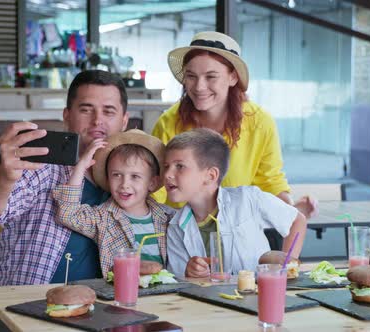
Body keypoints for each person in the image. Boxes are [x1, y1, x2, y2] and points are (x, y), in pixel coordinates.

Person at [151, 31, 316, 250]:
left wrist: (290, 210)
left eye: (211, 76)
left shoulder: (260, 122)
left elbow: (270, 181)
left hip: (238, 238)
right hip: (180, 236)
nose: (199, 87)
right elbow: (158, 183)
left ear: (232, 77)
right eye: (191, 76)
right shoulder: (168, 122)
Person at [0, 70, 130, 285]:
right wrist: (4, 177)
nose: (97, 120)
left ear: (124, 121)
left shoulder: (131, 181)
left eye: (108, 111)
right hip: (30, 306)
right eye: (86, 110)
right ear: (67, 116)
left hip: (105, 309)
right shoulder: (40, 167)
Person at [164, 128, 307, 278]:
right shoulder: (175, 227)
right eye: (166, 166)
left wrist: (286, 265)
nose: (167, 174)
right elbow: (177, 278)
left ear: (211, 175)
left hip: (257, 296)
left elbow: (297, 220)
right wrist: (189, 272)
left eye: (179, 166)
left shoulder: (248, 198)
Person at [52, 129, 174, 278]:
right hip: (121, 293)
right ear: (108, 179)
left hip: (164, 294)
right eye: (117, 175)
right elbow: (67, 214)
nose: (124, 184)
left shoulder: (169, 217)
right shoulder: (102, 218)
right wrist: (81, 167)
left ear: (152, 182)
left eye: (135, 176)